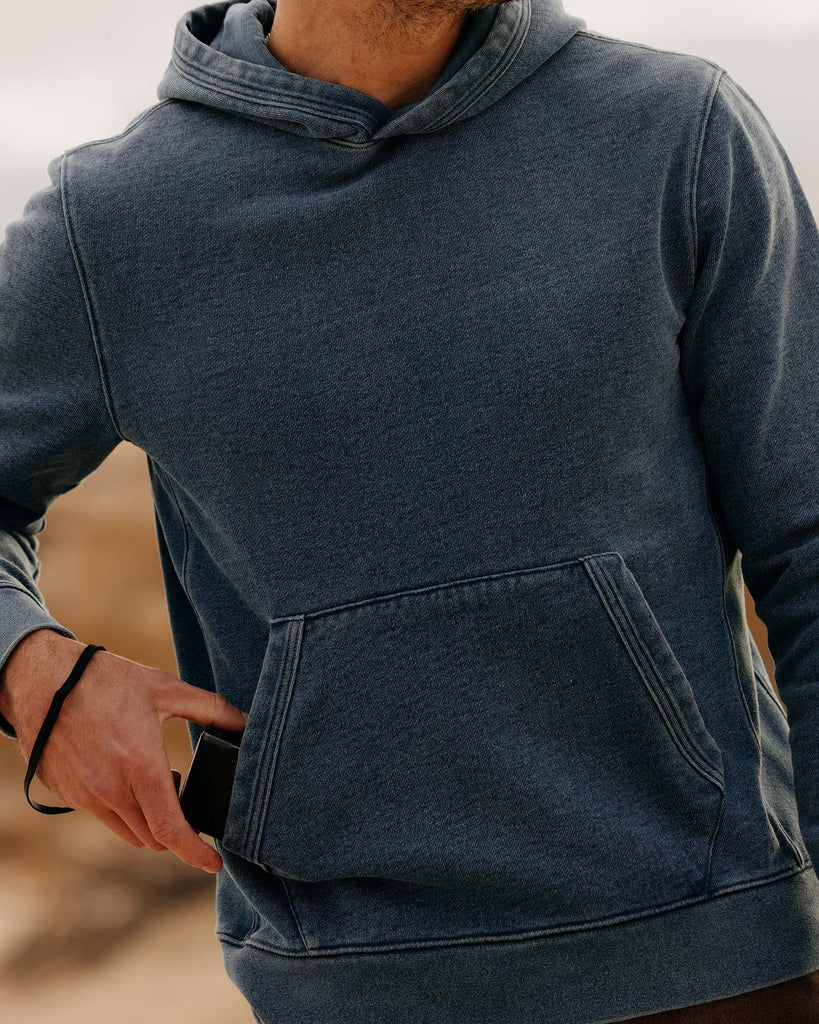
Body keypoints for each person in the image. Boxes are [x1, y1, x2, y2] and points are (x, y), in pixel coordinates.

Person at [0, 0, 818, 1021]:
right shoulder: (112, 224)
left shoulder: (675, 132)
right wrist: (31, 670)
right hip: (351, 983)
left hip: (715, 960)